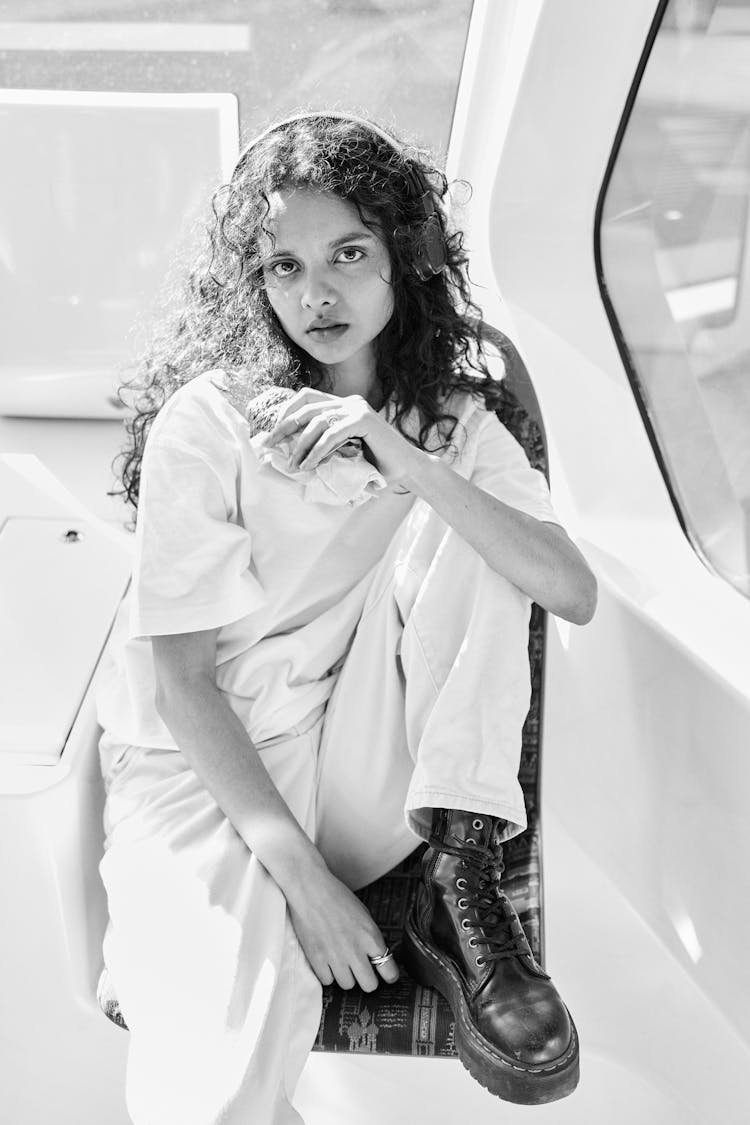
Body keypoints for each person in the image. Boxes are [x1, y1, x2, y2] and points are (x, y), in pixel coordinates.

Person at [95, 110, 597, 1124]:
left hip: (371, 776)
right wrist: (304, 885)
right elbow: (181, 686)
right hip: (206, 776)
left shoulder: (456, 422)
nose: (315, 294)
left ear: (402, 259)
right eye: (283, 267)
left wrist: (401, 456)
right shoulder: (214, 419)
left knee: (476, 527)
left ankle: (464, 878)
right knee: (216, 1081)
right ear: (255, 283)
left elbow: (568, 588)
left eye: (348, 255)